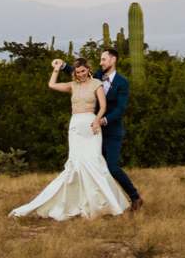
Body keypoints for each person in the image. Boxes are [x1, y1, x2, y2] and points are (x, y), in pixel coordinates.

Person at [10, 58, 132, 221]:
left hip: (91, 125)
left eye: (83, 71)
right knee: (75, 165)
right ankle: (75, 203)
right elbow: (51, 85)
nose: (80, 74)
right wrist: (56, 68)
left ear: (88, 69)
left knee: (95, 162)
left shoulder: (96, 83)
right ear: (75, 73)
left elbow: (102, 106)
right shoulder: (72, 85)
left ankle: (107, 204)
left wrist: (97, 120)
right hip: (76, 125)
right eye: (77, 72)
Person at [95, 46, 143, 213]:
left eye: (103, 59)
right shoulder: (96, 76)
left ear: (113, 60)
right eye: (100, 60)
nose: (100, 63)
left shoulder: (122, 82)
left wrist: (105, 120)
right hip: (95, 133)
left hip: (113, 132)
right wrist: (64, 67)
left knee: (112, 167)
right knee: (94, 167)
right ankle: (102, 203)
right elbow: (79, 72)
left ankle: (135, 196)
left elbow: (121, 108)